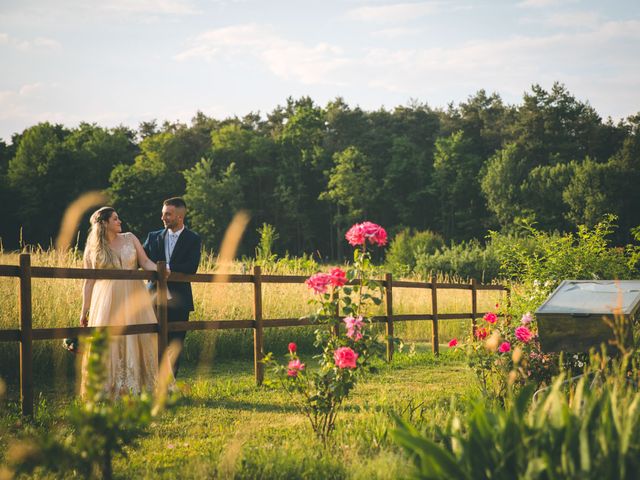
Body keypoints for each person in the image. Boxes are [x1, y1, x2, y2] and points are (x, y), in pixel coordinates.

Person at [79, 206, 160, 397]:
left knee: (139, 334)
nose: (120, 221)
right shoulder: (93, 247)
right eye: (115, 219)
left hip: (133, 294)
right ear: (105, 223)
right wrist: (84, 311)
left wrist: (160, 269)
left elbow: (145, 262)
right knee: (110, 340)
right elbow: (88, 281)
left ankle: (142, 383)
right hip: (107, 299)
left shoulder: (130, 238)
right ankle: (108, 385)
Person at [143, 197, 201, 377]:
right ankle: (152, 381)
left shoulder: (193, 238)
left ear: (179, 217)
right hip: (152, 298)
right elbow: (140, 259)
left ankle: (170, 385)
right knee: (151, 341)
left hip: (179, 299)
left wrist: (167, 269)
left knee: (175, 343)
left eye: (167, 214)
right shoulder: (153, 237)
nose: (163, 217)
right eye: (162, 214)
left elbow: (191, 267)